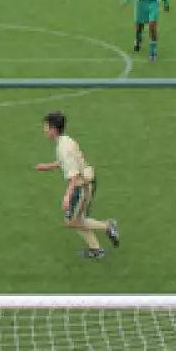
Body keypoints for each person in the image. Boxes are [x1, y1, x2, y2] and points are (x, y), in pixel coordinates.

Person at [33, 111, 119, 259]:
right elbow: (67, 163)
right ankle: (95, 249)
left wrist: (67, 196)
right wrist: (48, 166)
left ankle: (107, 226)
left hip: (83, 186)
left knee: (73, 221)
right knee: (76, 219)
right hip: (84, 182)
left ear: (53, 129)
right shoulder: (65, 141)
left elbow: (74, 175)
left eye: (46, 126)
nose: (44, 129)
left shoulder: (63, 148)